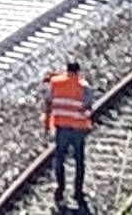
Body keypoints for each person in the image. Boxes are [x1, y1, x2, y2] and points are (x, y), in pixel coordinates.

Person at [43, 60, 94, 209]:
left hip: (62, 128)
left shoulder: (55, 83)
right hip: (78, 129)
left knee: (59, 159)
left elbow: (48, 103)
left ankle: (60, 190)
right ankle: (77, 192)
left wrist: (47, 125)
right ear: (78, 72)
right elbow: (88, 106)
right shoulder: (84, 87)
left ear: (66, 70)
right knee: (79, 161)